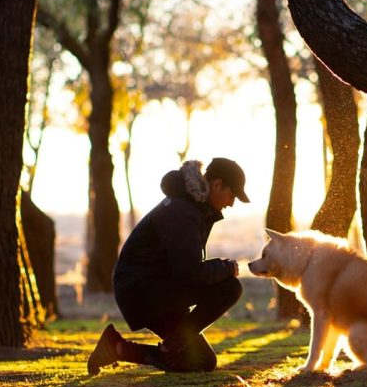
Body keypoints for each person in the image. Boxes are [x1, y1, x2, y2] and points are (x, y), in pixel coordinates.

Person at [87, 157, 249, 375]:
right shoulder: (183, 212)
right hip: (143, 291)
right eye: (232, 195)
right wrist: (227, 268)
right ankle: (169, 349)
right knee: (229, 288)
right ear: (217, 185)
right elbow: (190, 273)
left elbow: (186, 267)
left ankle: (116, 348)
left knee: (202, 361)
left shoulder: (193, 208)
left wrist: (221, 267)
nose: (230, 203)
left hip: (155, 288)